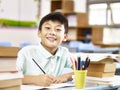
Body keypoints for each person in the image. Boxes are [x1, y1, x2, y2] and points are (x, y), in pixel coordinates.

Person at [16, 12, 74, 86]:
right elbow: (9, 78)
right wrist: (34, 79)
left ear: (65, 37)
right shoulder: (26, 52)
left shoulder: (64, 52)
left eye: (58, 29)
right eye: (48, 28)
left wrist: (66, 76)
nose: (52, 32)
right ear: (39, 33)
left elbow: (82, 71)